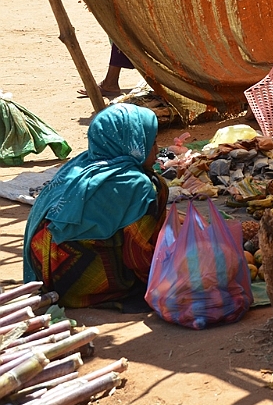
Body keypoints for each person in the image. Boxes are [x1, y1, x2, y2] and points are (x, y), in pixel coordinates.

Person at [23, 103, 168, 309]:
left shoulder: (82, 163)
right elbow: (137, 252)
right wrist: (165, 279)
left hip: (44, 271)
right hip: (75, 281)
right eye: (151, 143)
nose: (156, 149)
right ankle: (113, 286)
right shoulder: (136, 184)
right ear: (133, 144)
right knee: (156, 190)